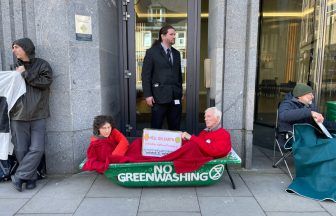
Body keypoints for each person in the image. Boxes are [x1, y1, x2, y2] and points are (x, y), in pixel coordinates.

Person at [10, 38, 53, 192]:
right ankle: (31, 177)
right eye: (12, 47)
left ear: (26, 48)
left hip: (38, 113)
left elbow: (45, 83)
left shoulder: (42, 64)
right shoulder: (13, 66)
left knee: (37, 148)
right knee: (21, 149)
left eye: (16, 47)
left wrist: (25, 74)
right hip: (18, 114)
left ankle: (19, 176)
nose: (13, 50)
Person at [141, 25, 183, 130]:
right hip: (158, 97)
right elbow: (146, 75)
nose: (174, 36)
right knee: (156, 125)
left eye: (175, 34)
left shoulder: (177, 54)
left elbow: (178, 75)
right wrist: (148, 95)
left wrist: (180, 92)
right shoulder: (152, 52)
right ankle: (155, 146)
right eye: (171, 34)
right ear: (163, 36)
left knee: (175, 126)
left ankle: (175, 147)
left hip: (175, 96)